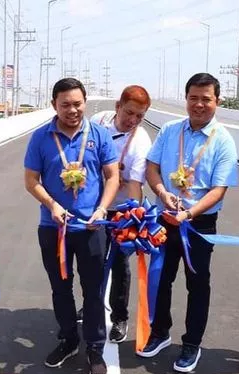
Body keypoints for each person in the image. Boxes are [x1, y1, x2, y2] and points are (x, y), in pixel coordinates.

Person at [140, 73, 238, 374]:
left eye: (206, 99)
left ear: (217, 102)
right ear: (186, 99)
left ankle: (191, 344)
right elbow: (152, 167)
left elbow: (219, 190)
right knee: (161, 278)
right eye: (194, 98)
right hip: (165, 217)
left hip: (199, 225)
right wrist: (161, 192)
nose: (199, 104)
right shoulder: (170, 131)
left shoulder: (223, 140)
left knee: (197, 284)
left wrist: (189, 214)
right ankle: (160, 332)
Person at [24, 78, 120, 374]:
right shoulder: (41, 137)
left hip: (92, 228)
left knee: (93, 290)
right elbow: (31, 181)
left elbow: (113, 176)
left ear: (85, 103)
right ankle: (67, 339)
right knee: (60, 288)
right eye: (65, 104)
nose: (72, 109)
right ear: (54, 105)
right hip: (53, 227)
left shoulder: (100, 135)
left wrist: (102, 208)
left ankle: (94, 347)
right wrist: (52, 205)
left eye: (77, 103)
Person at [76, 85, 152, 343]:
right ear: (118, 106)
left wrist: (132, 219)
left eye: (140, 116)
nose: (133, 120)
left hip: (118, 210)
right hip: (92, 207)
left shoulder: (140, 142)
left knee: (120, 264)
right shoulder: (98, 121)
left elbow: (135, 185)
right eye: (129, 112)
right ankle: (90, 306)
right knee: (91, 261)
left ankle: (119, 316)